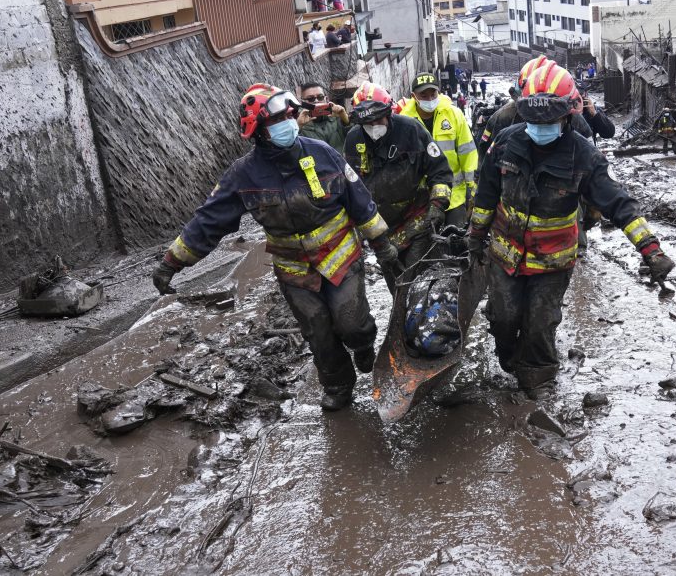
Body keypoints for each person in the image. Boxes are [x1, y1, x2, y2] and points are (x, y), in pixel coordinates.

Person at [152, 83, 400, 411]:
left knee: (351, 322)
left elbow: (360, 201)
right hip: (295, 272)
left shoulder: (322, 153)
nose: (289, 122)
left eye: (289, 115)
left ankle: (363, 345)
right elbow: (207, 222)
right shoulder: (244, 174)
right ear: (258, 130)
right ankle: (338, 386)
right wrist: (171, 263)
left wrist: (381, 244)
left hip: (340, 258)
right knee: (319, 334)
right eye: (278, 118)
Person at [468, 64, 674, 399]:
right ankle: (509, 358)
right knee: (504, 318)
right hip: (506, 257)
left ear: (566, 115)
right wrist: (475, 238)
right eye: (535, 121)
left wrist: (650, 248)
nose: (541, 128)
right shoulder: (505, 143)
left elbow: (618, 203)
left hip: (551, 263)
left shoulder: (584, 155)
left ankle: (539, 381)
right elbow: (487, 194)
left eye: (549, 121)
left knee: (540, 323)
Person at [343, 83, 453, 293]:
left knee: (417, 279)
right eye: (368, 122)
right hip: (380, 228)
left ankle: (424, 318)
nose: (374, 125)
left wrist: (438, 205)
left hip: (417, 218)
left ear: (389, 112)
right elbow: (352, 188)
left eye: (378, 119)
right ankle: (401, 319)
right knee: (397, 285)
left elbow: (440, 172)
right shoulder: (353, 139)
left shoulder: (411, 129)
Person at [398, 72, 479, 227]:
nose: (429, 99)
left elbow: (468, 153)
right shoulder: (404, 121)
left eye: (433, 94)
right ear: (413, 96)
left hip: (454, 196)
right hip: (420, 199)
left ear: (438, 92)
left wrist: (473, 191)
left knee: (457, 241)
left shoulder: (453, 114)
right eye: (423, 95)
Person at [297, 81, 349, 152]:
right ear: (303, 103)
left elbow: (354, 135)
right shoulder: (299, 125)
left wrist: (344, 116)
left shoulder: (336, 117)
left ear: (326, 99)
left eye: (320, 97)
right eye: (310, 99)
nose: (316, 101)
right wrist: (298, 127)